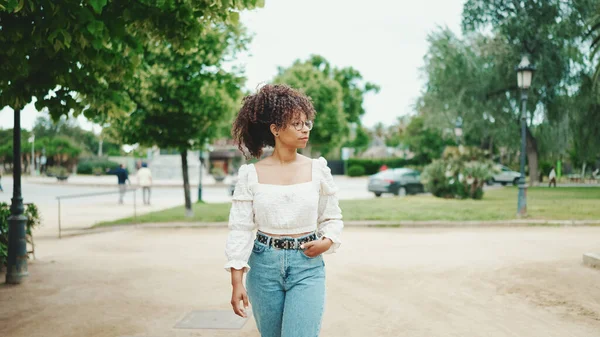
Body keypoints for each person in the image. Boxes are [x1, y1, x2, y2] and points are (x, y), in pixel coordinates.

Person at [225, 84, 344, 337]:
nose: (305, 129)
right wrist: (237, 281)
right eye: (296, 124)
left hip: (307, 266)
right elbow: (240, 229)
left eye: (306, 123)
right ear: (275, 129)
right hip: (263, 267)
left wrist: (328, 240)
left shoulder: (318, 170)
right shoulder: (251, 175)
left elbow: (331, 216)